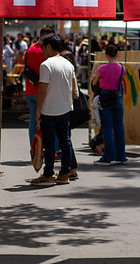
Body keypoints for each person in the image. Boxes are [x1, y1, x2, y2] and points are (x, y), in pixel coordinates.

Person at [30, 33, 77, 186]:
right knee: (65, 142)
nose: (42, 50)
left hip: (49, 109)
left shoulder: (46, 65)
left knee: (49, 144)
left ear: (49, 46)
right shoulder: (68, 64)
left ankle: (49, 174)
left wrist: (38, 110)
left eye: (43, 46)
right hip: (65, 108)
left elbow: (42, 89)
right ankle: (64, 173)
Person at [91, 43, 128, 165]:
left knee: (107, 128)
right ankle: (121, 156)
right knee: (119, 128)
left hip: (105, 99)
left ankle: (108, 156)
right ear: (117, 55)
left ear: (106, 55)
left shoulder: (101, 68)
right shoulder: (123, 69)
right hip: (117, 98)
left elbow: (95, 82)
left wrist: (95, 78)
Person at [24, 25, 55, 145]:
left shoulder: (30, 49)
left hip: (30, 89)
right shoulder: (46, 51)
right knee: (51, 120)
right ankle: (53, 148)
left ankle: (34, 147)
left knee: (33, 120)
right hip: (44, 90)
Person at [60, 49, 80, 180]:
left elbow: (75, 93)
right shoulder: (71, 72)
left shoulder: (69, 74)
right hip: (68, 108)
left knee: (65, 140)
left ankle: (71, 168)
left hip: (66, 109)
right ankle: (70, 167)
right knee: (66, 139)